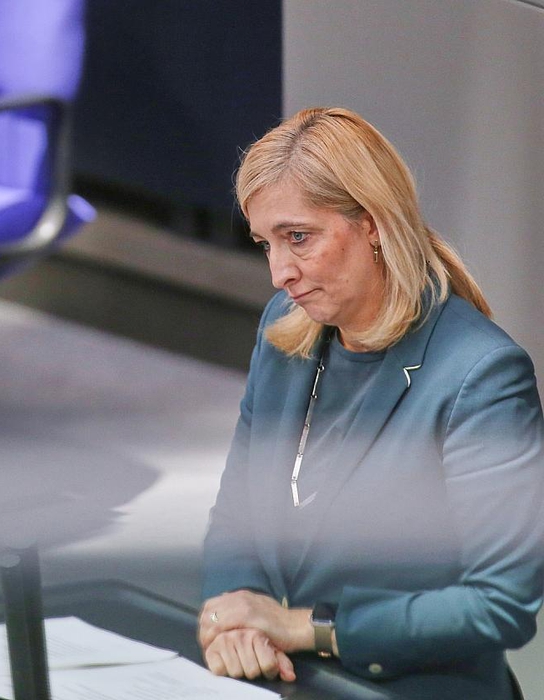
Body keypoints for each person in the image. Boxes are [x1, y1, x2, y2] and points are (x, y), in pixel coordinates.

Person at [198, 107, 544, 698]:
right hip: (298, 681)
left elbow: (500, 605)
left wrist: (307, 628)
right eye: (265, 244)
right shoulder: (285, 327)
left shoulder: (481, 375)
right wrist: (234, 616)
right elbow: (240, 516)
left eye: (298, 238)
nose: (280, 273)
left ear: (373, 225)